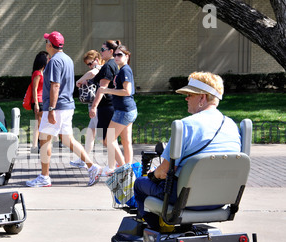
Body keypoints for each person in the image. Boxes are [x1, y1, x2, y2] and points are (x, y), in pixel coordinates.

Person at [133, 71, 242, 230]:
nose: (186, 98)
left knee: (140, 184)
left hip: (185, 199)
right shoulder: (232, 126)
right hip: (221, 198)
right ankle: (183, 229)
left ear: (202, 98)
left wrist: (151, 176)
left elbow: (163, 172)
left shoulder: (186, 125)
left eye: (190, 94)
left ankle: (160, 233)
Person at [26, 31, 103, 187]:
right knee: (68, 139)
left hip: (57, 107)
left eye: (46, 41)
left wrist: (52, 109)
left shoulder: (54, 61)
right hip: (66, 105)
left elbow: (55, 85)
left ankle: (44, 177)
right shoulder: (67, 59)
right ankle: (93, 167)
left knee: (44, 140)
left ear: (50, 44)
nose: (45, 44)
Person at [97, 44, 137, 175]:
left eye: (119, 55)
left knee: (109, 139)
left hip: (123, 111)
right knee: (126, 141)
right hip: (128, 110)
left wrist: (107, 90)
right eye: (115, 55)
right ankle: (128, 169)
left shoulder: (125, 70)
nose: (116, 57)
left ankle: (123, 169)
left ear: (127, 56)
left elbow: (127, 91)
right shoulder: (123, 69)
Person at [88, 40, 120, 175]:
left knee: (106, 138)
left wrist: (94, 106)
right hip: (109, 105)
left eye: (103, 49)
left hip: (106, 106)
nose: (101, 52)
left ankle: (118, 164)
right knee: (108, 138)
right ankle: (114, 165)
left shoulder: (108, 66)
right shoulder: (111, 65)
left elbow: (102, 88)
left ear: (110, 51)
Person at [70, 50, 104, 168]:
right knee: (91, 132)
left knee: (105, 137)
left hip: (100, 105)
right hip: (97, 104)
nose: (89, 66)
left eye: (90, 63)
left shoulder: (99, 68)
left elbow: (93, 72)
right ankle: (84, 159)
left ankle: (116, 162)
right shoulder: (99, 69)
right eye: (88, 64)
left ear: (97, 59)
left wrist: (79, 81)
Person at [30, 51, 50, 153]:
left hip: (44, 100)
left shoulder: (44, 72)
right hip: (38, 101)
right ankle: (35, 145)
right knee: (39, 124)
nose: (49, 60)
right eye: (48, 58)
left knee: (41, 124)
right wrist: (36, 104)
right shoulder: (37, 73)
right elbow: (34, 89)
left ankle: (37, 145)